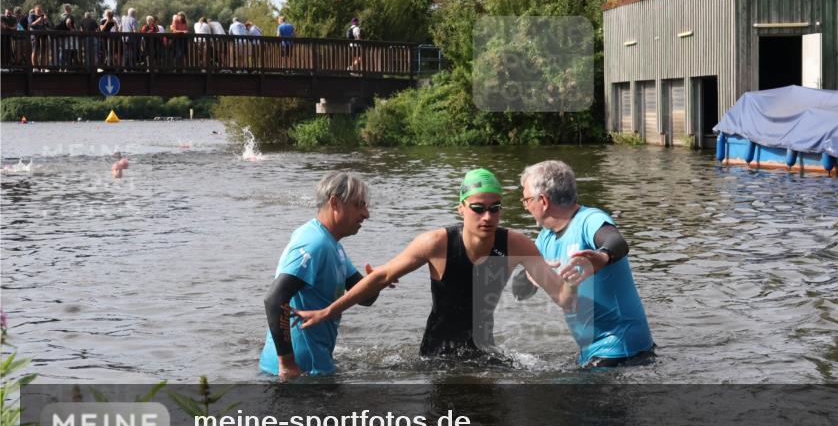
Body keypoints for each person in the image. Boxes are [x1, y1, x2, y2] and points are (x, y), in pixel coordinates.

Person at [296, 169, 577, 359]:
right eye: (478, 208)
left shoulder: (515, 244)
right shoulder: (436, 243)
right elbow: (381, 276)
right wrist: (329, 311)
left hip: (484, 353)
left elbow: (562, 296)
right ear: (462, 209)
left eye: (495, 208)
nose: (488, 217)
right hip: (436, 357)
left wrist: (579, 274)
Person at [516, 160, 655, 368]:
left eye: (526, 200)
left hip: (622, 347)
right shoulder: (545, 239)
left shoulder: (589, 220)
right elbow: (519, 292)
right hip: (592, 352)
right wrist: (531, 274)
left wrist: (603, 256)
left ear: (543, 201)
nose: (526, 206)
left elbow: (617, 242)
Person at [259, 172, 385, 379]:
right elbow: (274, 299)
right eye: (359, 205)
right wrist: (287, 365)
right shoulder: (314, 243)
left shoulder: (333, 245)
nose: (366, 214)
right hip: (297, 373)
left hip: (315, 366)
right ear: (335, 203)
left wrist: (380, 279)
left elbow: (366, 298)